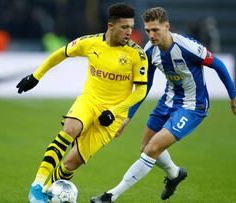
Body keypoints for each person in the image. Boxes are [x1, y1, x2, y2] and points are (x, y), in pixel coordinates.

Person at [91, 7, 236, 203]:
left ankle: (111, 196)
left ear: (167, 27)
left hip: (193, 106)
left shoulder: (187, 47)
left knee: (152, 149)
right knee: (144, 148)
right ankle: (175, 174)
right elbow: (144, 86)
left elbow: (218, 64)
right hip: (168, 100)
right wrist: (128, 116)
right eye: (148, 31)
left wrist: (234, 96)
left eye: (156, 30)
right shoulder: (149, 50)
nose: (152, 35)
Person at [16, 3, 148, 203]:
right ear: (111, 26)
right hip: (89, 100)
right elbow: (61, 53)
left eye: (131, 27)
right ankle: (37, 185)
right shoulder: (91, 43)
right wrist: (36, 76)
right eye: (124, 27)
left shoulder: (137, 54)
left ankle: (49, 190)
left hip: (113, 115)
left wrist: (114, 111)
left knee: (71, 163)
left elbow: (140, 91)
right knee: (70, 128)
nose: (129, 32)